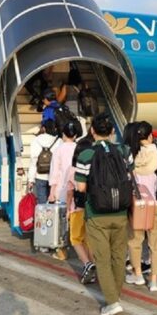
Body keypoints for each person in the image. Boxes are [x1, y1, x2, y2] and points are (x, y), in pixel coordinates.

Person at [75, 114, 133, 315]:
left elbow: (81, 187)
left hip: (96, 213)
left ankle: (112, 301)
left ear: (92, 131)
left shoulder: (86, 154)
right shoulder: (124, 151)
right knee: (119, 256)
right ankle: (115, 293)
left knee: (102, 258)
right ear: (111, 131)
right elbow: (129, 176)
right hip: (120, 211)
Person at [124, 121, 157, 292]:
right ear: (150, 135)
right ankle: (154, 280)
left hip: (138, 204)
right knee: (156, 243)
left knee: (135, 240)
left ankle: (138, 274)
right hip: (156, 203)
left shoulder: (132, 154)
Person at [47, 121, 80, 261]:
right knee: (77, 218)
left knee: (62, 222)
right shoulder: (79, 148)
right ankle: (81, 248)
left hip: (62, 189)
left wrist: (51, 192)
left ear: (63, 134)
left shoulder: (58, 150)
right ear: (76, 135)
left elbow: (54, 172)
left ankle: (62, 251)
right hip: (78, 188)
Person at [72, 130, 97, 284]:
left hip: (78, 209)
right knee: (89, 240)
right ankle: (92, 268)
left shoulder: (74, 169)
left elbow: (70, 190)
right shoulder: (95, 169)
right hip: (92, 208)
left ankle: (87, 264)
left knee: (75, 238)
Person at [28, 120, 61, 204]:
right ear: (55, 128)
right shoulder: (59, 141)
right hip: (55, 177)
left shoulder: (36, 140)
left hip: (40, 176)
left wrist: (31, 179)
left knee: (42, 205)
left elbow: (33, 161)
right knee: (54, 203)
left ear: (44, 128)